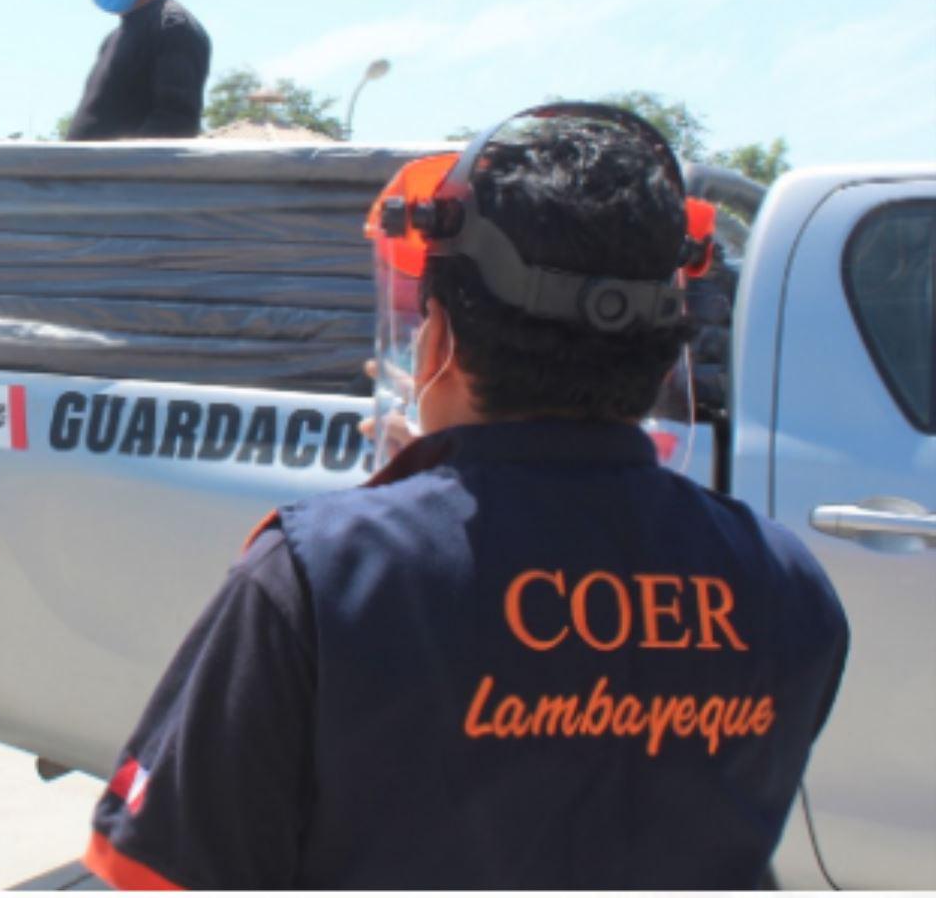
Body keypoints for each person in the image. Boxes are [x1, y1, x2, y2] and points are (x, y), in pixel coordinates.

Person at [83, 103, 849, 889]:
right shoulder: (787, 588)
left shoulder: (316, 582)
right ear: (660, 360)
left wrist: (404, 521)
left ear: (439, 338)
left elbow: (160, 876)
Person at [62, 0, 211, 141]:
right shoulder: (113, 38)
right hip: (90, 175)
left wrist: (112, 171)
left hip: (122, 176)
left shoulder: (171, 25)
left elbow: (174, 123)